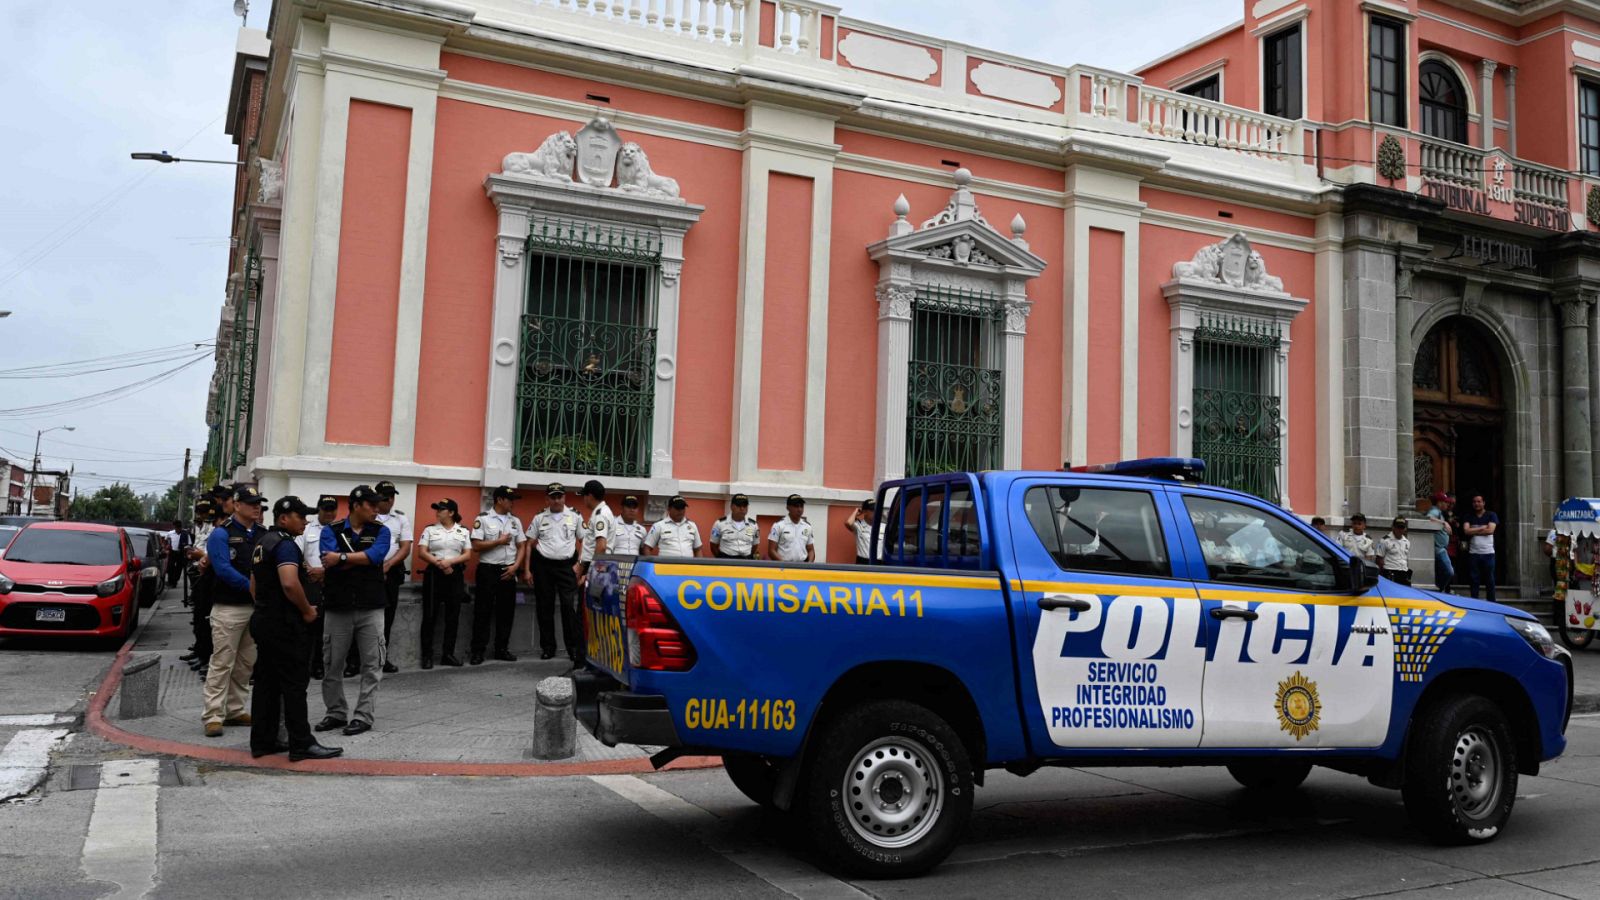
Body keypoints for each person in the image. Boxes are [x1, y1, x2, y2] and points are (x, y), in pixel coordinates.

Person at [248, 496, 343, 762]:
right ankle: (301, 743)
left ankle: (263, 741)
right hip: (286, 625)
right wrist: (306, 610)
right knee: (294, 685)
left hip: (264, 620)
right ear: (283, 518)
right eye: (300, 517)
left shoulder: (263, 542)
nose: (305, 521)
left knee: (266, 683)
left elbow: (253, 585)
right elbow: (290, 582)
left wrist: (266, 609)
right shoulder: (286, 544)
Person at [316, 484, 391, 737]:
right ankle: (336, 712)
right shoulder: (331, 530)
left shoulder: (381, 530)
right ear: (356, 505)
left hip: (371, 606)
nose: (377, 509)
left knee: (372, 664)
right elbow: (328, 561)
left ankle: (363, 716)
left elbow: (376, 557)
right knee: (332, 664)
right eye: (371, 505)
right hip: (338, 606)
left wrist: (343, 558)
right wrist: (359, 559)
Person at [202, 485, 264, 738]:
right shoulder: (221, 533)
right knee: (222, 663)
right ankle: (213, 715)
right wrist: (251, 587)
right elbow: (223, 568)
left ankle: (235, 709)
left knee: (245, 663)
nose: (256, 507)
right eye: (251, 503)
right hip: (229, 607)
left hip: (254, 608)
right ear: (237, 505)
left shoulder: (262, 533)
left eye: (258, 503)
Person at [526, 483, 584, 664]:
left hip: (567, 567)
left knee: (568, 607)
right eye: (553, 497)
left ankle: (572, 649)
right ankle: (548, 648)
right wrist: (527, 570)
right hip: (543, 567)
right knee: (545, 607)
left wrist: (580, 565)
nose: (557, 500)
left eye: (560, 496)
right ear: (547, 499)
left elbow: (584, 541)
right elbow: (529, 543)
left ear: (564, 498)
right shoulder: (539, 517)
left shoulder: (575, 516)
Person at [470, 486, 526, 666]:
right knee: (482, 612)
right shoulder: (483, 519)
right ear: (500, 500)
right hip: (488, 570)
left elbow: (522, 546)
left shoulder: (515, 521)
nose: (513, 503)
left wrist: (516, 566)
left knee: (506, 613)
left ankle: (502, 649)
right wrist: (498, 541)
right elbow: (476, 546)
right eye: (510, 499)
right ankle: (478, 651)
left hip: (508, 571)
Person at [417, 498, 471, 669]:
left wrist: (450, 563)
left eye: (441, 509)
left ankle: (448, 654)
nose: (437, 512)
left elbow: (467, 554)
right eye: (437, 509)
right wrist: (440, 563)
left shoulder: (463, 531)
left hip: (454, 575)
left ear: (451, 512)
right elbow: (422, 552)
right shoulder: (430, 529)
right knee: (430, 616)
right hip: (434, 575)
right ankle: (427, 656)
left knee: (452, 617)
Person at [373, 480, 413, 674]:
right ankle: (355, 661)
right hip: (368, 573)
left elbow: (405, 547)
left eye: (392, 496)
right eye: (385, 496)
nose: (390, 500)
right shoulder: (368, 515)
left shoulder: (400, 518)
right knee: (362, 616)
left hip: (391, 574)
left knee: (387, 618)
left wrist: (388, 565)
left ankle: (382, 658)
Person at [299, 495, 339, 681]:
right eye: (326, 509)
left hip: (332, 581)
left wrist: (324, 572)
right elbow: (299, 554)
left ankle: (319, 665)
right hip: (311, 582)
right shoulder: (307, 528)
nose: (329, 513)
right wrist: (312, 571)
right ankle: (305, 664)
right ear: (319, 510)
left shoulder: (340, 530)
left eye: (332, 509)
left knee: (327, 628)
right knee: (311, 626)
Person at [178, 500, 217, 672]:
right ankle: (200, 651)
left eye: (203, 512)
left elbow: (211, 553)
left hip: (208, 574)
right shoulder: (202, 527)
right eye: (199, 512)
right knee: (199, 617)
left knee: (206, 619)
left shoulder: (216, 527)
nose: (201, 515)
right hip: (198, 573)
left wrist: (200, 555)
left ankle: (205, 656)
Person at [575, 480, 614, 587]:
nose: (584, 499)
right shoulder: (601, 511)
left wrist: (591, 573)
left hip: (595, 566)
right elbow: (590, 545)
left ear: (590, 496)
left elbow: (601, 546)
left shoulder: (600, 515)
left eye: (584, 495)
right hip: (595, 564)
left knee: (589, 597)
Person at [1463, 494, 1499, 602]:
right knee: (1474, 579)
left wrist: (1473, 530)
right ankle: (1474, 602)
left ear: (1483, 503)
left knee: (1490, 579)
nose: (1476, 504)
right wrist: (1482, 528)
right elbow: (1466, 531)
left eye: (1479, 501)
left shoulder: (1491, 515)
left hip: (1488, 553)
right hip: (1473, 553)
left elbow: (1490, 530)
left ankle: (1491, 603)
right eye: (1474, 502)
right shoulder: (1468, 516)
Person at [767, 494, 815, 562]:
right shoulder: (779, 525)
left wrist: (809, 564)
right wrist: (784, 564)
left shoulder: (807, 526)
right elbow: (771, 550)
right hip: (784, 565)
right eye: (796, 506)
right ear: (788, 507)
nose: (799, 509)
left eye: (801, 506)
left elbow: (811, 550)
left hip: (803, 565)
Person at [710, 494, 759, 559]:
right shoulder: (720, 524)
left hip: (746, 560)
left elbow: (755, 545)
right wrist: (721, 559)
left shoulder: (753, 525)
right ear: (731, 506)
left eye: (744, 506)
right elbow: (713, 545)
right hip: (727, 560)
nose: (742, 508)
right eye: (739, 505)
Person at [1425, 492, 1455, 593]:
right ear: (1439, 502)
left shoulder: (1439, 512)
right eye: (1446, 502)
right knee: (1449, 572)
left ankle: (1438, 590)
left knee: (1439, 573)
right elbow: (1428, 518)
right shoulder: (1435, 511)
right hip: (1439, 549)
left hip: (1440, 548)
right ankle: (1438, 590)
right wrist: (1444, 522)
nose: (1448, 505)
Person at [1375, 517, 1412, 585]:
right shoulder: (1384, 540)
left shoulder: (1407, 542)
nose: (1400, 530)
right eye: (1398, 527)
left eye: (1402, 527)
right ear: (1393, 527)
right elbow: (1379, 559)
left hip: (1404, 573)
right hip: (1390, 573)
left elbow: (1405, 558)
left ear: (1405, 529)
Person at [844, 499, 876, 564]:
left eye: (877, 510)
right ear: (864, 512)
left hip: (879, 562)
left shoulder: (883, 526)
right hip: (863, 561)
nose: (875, 512)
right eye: (872, 510)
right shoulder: (859, 525)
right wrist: (856, 512)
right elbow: (848, 523)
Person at [163, 519, 187, 588]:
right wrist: (166, 547)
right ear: (174, 527)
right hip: (172, 552)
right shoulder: (170, 533)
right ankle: (170, 581)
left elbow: (189, 543)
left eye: (179, 527)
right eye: (176, 527)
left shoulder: (185, 534)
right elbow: (165, 541)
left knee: (179, 567)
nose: (177, 529)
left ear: (181, 527)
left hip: (181, 553)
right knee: (170, 567)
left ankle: (175, 581)